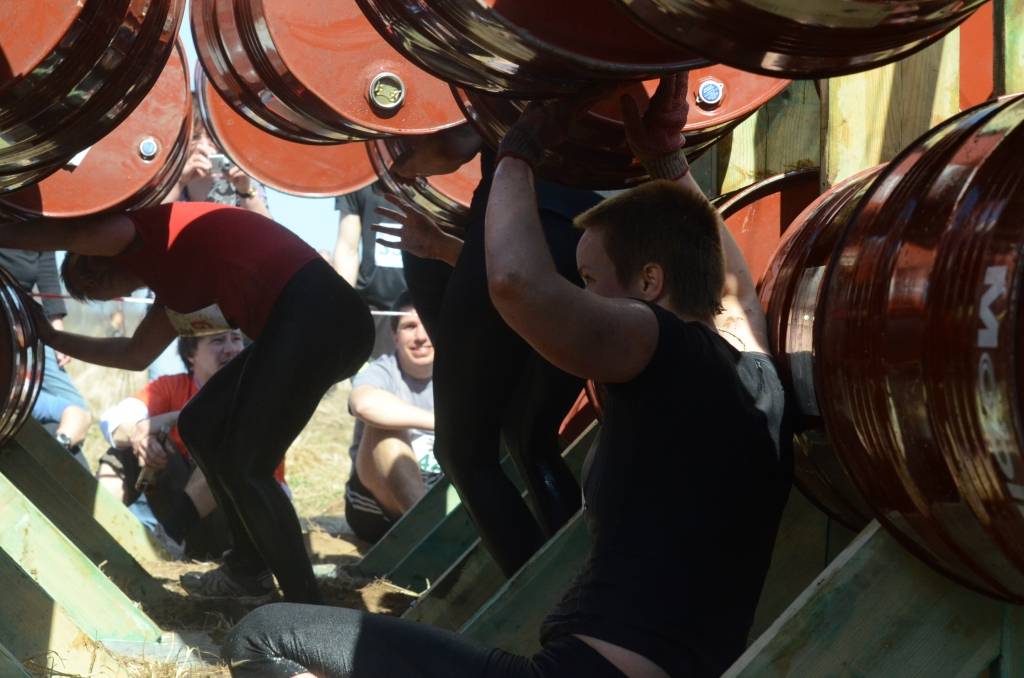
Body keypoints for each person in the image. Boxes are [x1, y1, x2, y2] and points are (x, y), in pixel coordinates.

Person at [220, 73, 791, 678]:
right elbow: (733, 292)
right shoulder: (758, 379)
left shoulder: (659, 342)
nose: (584, 294)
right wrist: (668, 161)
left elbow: (517, 285)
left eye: (590, 281)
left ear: (650, 283)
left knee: (262, 636)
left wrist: (516, 152)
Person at [0, 200, 373, 605]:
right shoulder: (174, 285)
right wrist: (53, 338)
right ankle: (248, 572)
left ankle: (306, 604)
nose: (91, 281)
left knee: (245, 464)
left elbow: (75, 234)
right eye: (85, 288)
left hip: (321, 313)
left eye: (85, 270)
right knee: (200, 424)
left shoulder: (141, 230)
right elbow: (136, 354)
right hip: (308, 319)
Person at [97, 330, 291, 561]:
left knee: (222, 452)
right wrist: (141, 435)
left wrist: (176, 417)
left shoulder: (256, 394)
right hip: (183, 516)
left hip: (237, 524)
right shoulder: (172, 386)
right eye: (218, 341)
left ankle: (166, 542)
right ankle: (98, 530)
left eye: (236, 339)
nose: (231, 349)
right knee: (128, 448)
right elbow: (114, 422)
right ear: (191, 354)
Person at [344, 292, 440, 543]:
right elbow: (364, 404)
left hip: (442, 489)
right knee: (383, 426)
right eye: (409, 326)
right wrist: (443, 424)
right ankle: (432, 532)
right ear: (395, 336)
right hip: (377, 506)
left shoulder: (458, 372)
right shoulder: (383, 370)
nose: (420, 336)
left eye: (426, 325)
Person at [0, 248, 92, 467]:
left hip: (24, 311)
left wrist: (55, 327)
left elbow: (76, 413)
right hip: (8, 303)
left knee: (72, 411)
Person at [333, 181, 409, 358]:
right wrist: (340, 309)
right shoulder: (357, 180)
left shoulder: (438, 177)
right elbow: (347, 249)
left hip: (421, 307)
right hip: (372, 309)